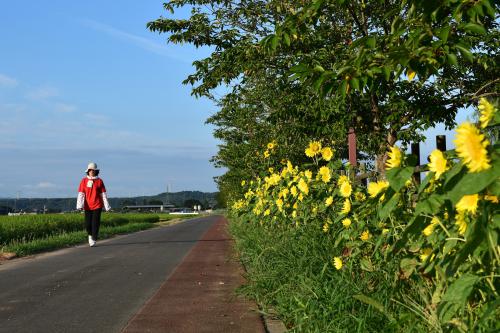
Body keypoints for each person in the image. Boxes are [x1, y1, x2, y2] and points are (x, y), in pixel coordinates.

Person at [76, 162, 111, 247]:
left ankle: (94, 237)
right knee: (88, 224)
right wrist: (79, 205)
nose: (92, 171)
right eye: (90, 170)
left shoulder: (99, 181)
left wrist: (107, 206)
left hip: (97, 205)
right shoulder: (84, 181)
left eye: (93, 170)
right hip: (87, 206)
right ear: (88, 171)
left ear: (96, 171)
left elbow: (103, 195)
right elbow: (81, 194)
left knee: (95, 223)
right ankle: (90, 235)